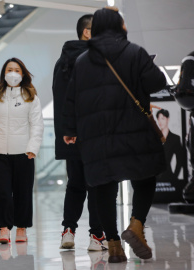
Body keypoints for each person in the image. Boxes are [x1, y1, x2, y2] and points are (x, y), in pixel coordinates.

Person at [62, 7, 167, 263]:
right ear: (119, 26)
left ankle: (114, 245)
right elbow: (157, 82)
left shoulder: (82, 61)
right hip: (134, 131)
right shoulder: (135, 52)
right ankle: (136, 224)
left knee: (103, 187)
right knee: (145, 178)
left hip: (97, 136)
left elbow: (71, 99)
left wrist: (69, 130)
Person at [52, 14, 107, 251]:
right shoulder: (94, 59)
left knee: (75, 183)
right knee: (96, 184)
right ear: (88, 32)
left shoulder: (62, 61)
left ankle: (68, 231)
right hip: (95, 133)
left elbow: (60, 100)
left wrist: (67, 131)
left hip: (71, 135)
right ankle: (96, 236)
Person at [0, 58, 44, 243]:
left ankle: (21, 228)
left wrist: (32, 148)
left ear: (22, 74)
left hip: (24, 153)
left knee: (23, 192)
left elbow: (37, 125)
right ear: (4, 73)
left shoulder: (30, 96)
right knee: (2, 192)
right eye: (9, 69)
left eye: (16, 70)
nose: (13, 73)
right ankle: (4, 228)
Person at [155, 109, 186, 181]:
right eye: (158, 119)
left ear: (167, 119)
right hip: (155, 177)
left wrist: (175, 177)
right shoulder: (154, 137)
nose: (160, 122)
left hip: (169, 176)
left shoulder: (175, 138)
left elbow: (180, 160)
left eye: (163, 118)